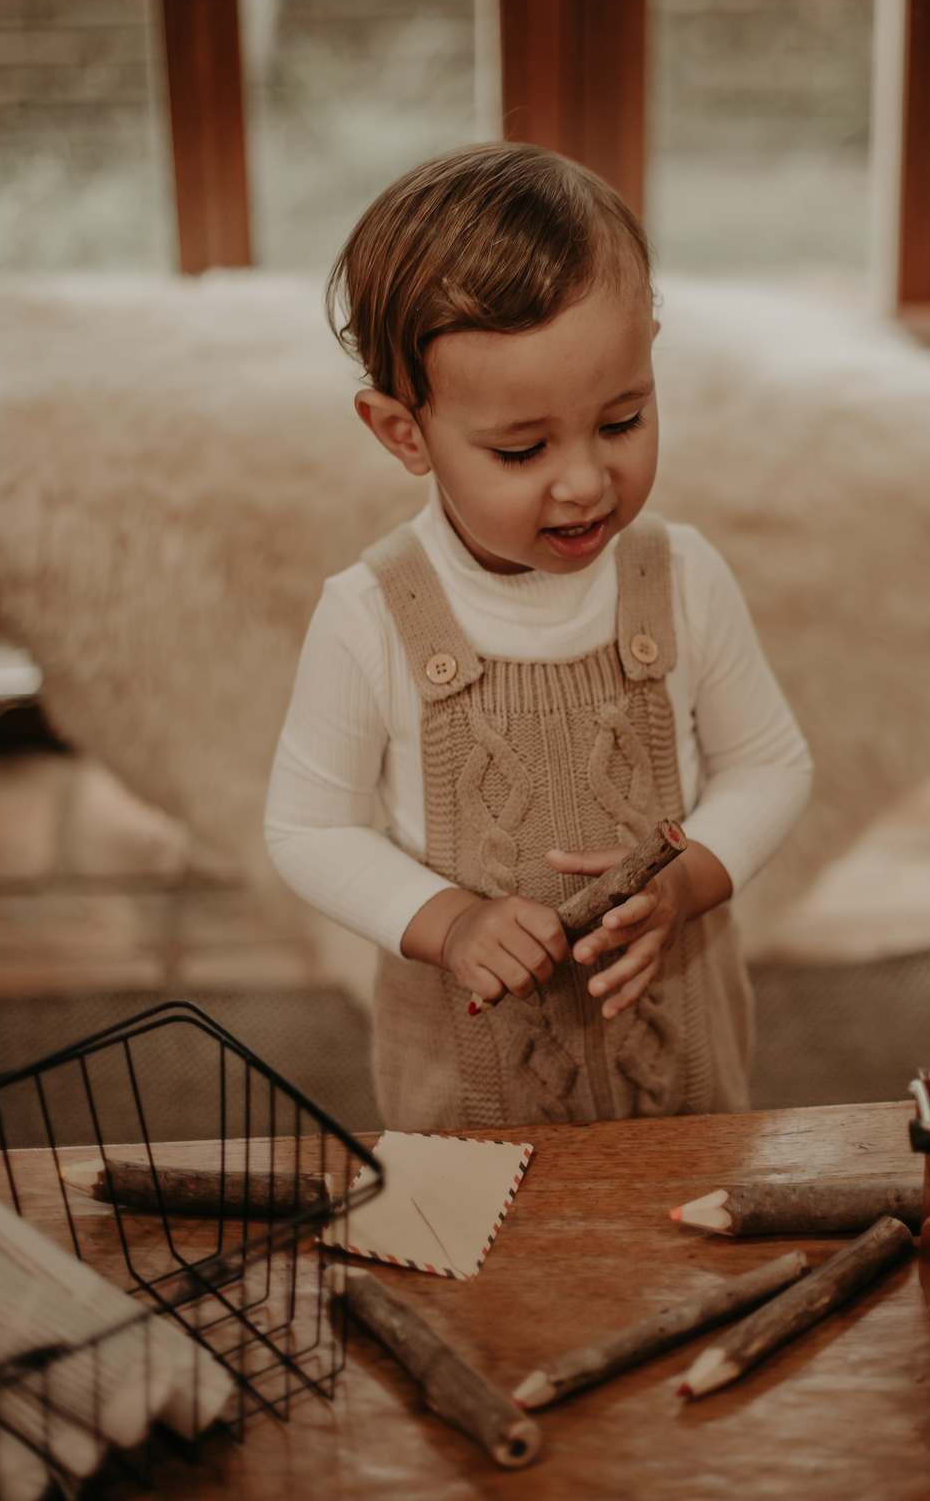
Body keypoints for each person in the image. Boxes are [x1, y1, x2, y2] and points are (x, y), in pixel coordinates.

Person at [265, 142, 812, 1131]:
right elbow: (309, 828)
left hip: (678, 1075)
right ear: (403, 432)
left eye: (623, 420)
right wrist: (449, 924)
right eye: (522, 449)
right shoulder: (371, 614)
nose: (586, 482)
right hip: (474, 1097)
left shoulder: (681, 577)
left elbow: (770, 764)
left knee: (691, 1220)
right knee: (484, 1239)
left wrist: (690, 882)